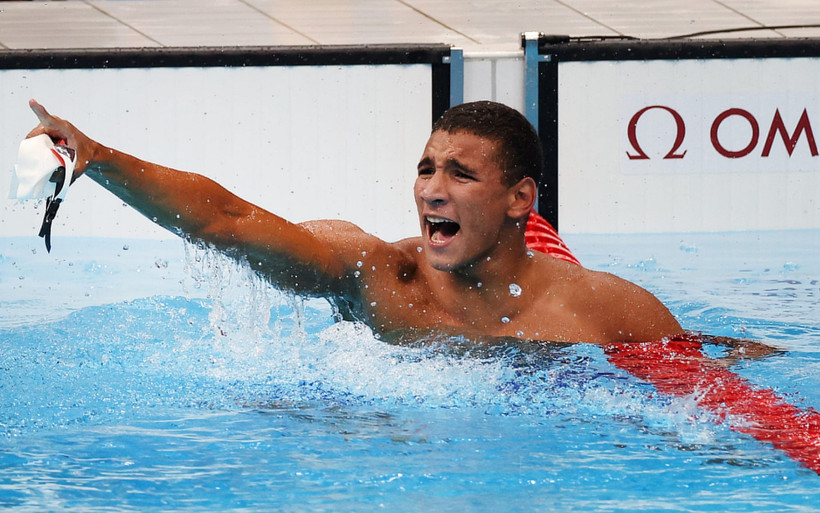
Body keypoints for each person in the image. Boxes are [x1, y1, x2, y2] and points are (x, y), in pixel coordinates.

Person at [25, 99, 683, 344]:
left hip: (531, 253)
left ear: (519, 196)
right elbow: (227, 219)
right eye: (426, 169)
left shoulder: (603, 306)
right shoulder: (377, 274)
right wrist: (101, 158)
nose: (431, 190)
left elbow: (716, 392)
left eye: (460, 173)